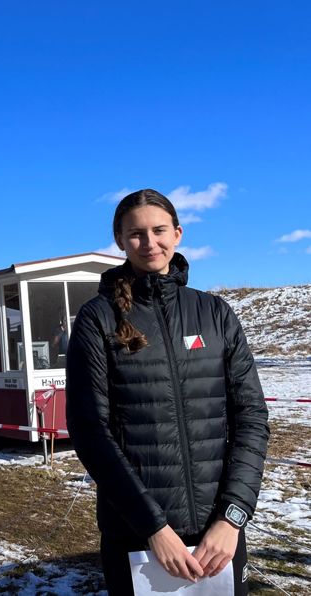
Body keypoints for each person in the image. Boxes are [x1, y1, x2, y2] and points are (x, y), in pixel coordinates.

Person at [65, 189, 269, 595]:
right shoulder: (98, 318)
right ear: (120, 240)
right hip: (137, 537)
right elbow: (91, 431)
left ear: (177, 234)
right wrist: (153, 528)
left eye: (159, 230)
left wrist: (232, 518)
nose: (150, 242)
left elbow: (251, 419)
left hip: (218, 537)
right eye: (136, 233)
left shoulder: (214, 313)